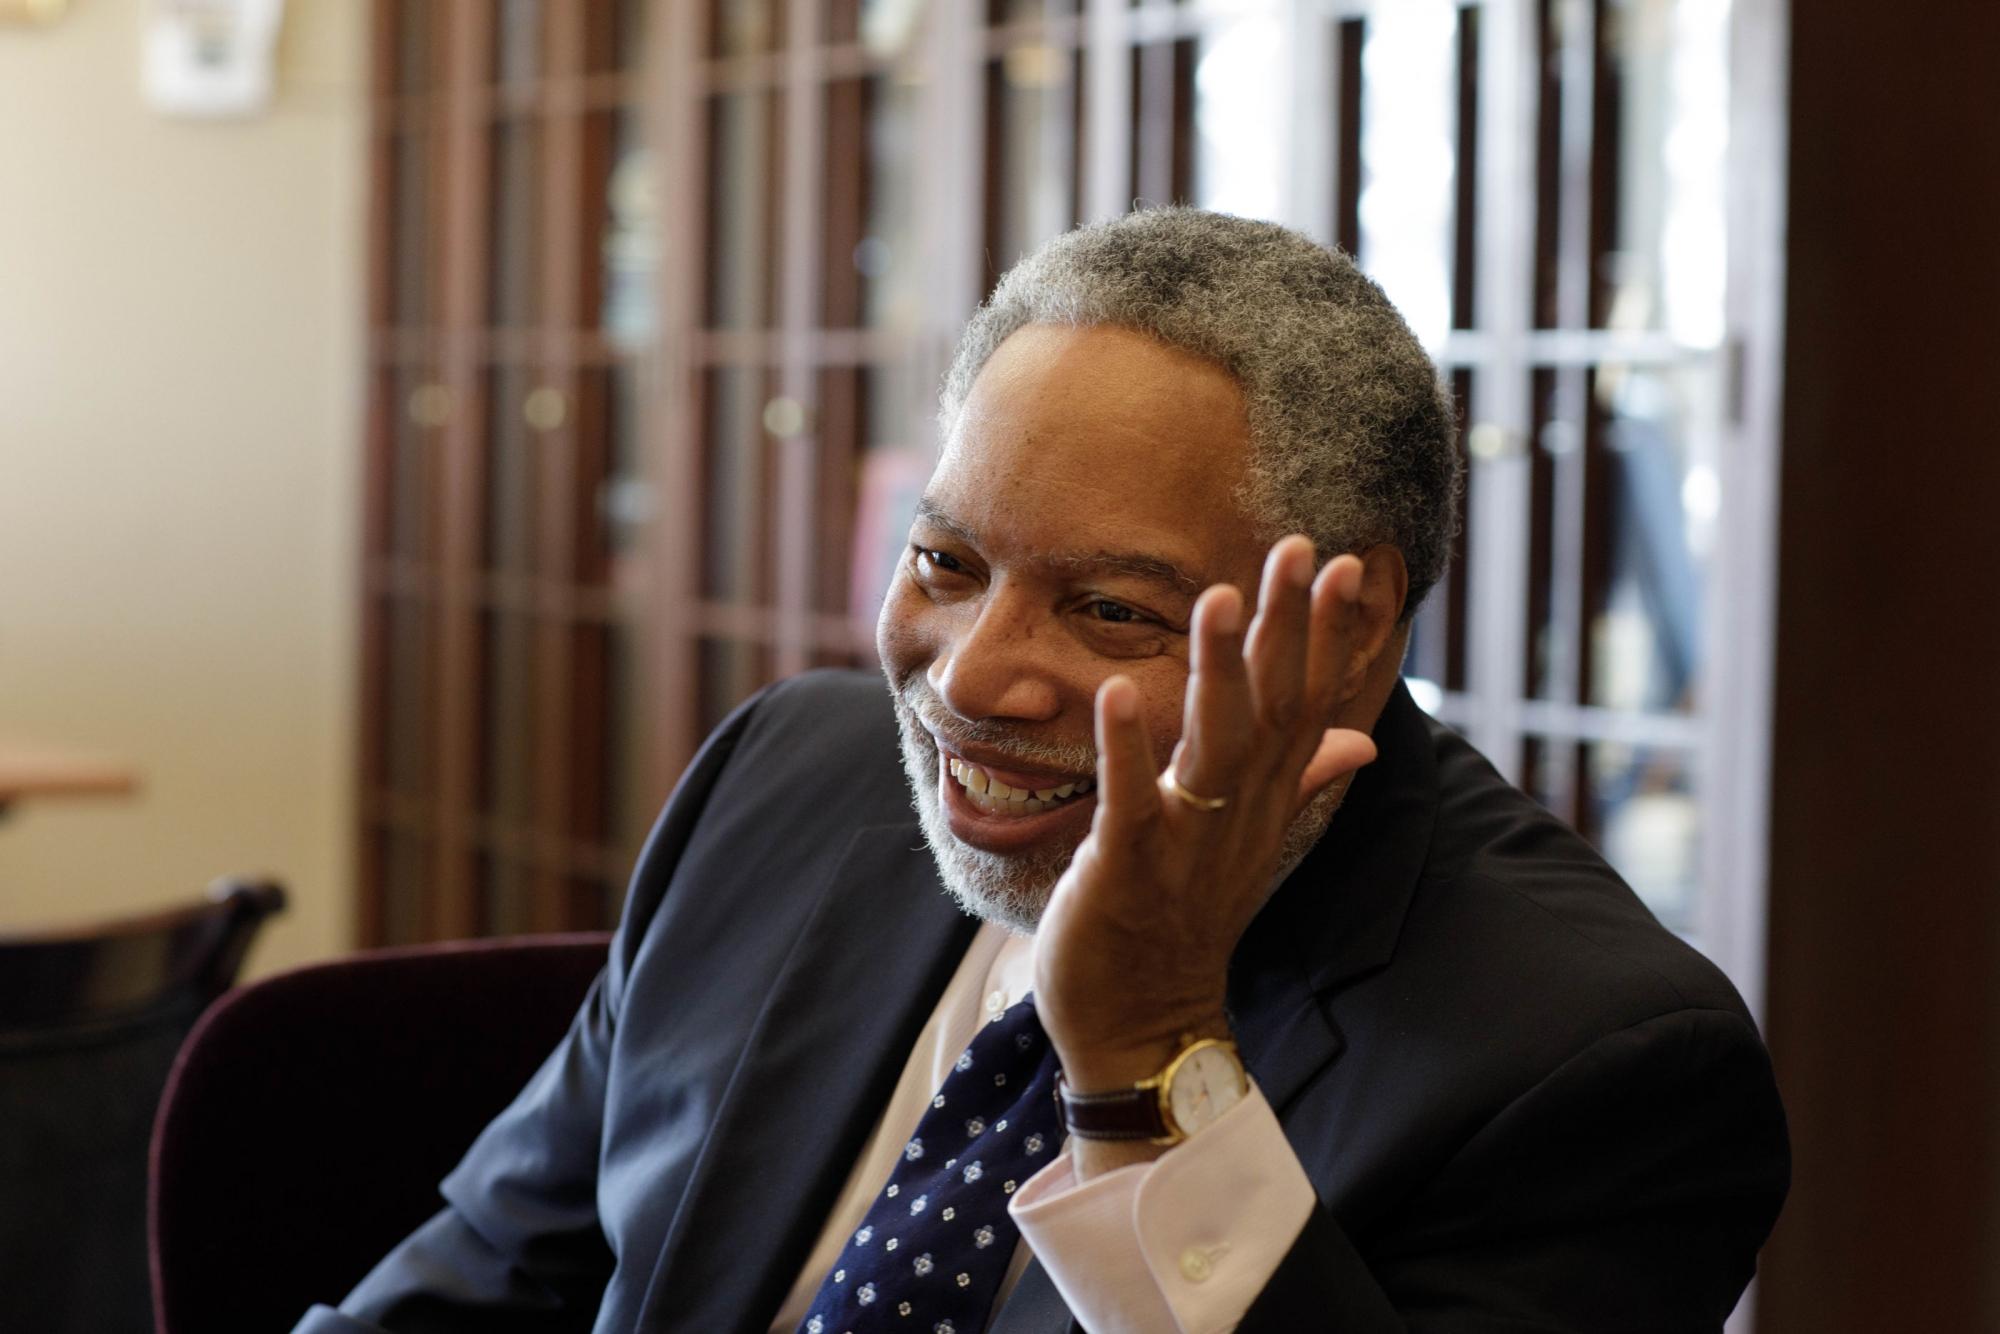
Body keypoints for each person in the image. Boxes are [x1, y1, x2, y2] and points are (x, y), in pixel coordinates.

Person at [297, 209, 1788, 1334]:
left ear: (1347, 629)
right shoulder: (784, 782)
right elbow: (474, 1284)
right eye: (946, 561)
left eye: (1111, 609)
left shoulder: (1596, 1063)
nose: (973, 676)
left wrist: (1146, 1052)